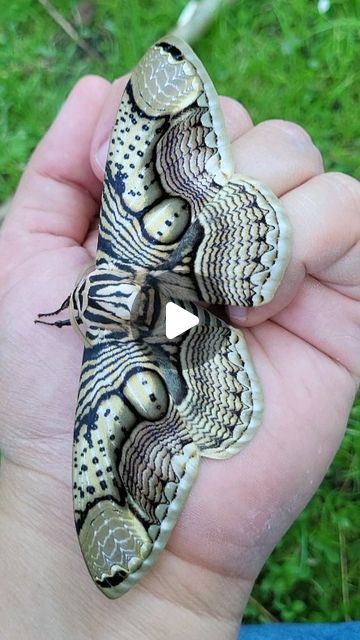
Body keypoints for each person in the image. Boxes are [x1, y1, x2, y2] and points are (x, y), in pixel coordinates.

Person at [0, 74, 359, 639]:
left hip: (166, 333)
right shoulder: (115, 248)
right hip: (171, 274)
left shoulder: (102, 364)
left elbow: (162, 86)